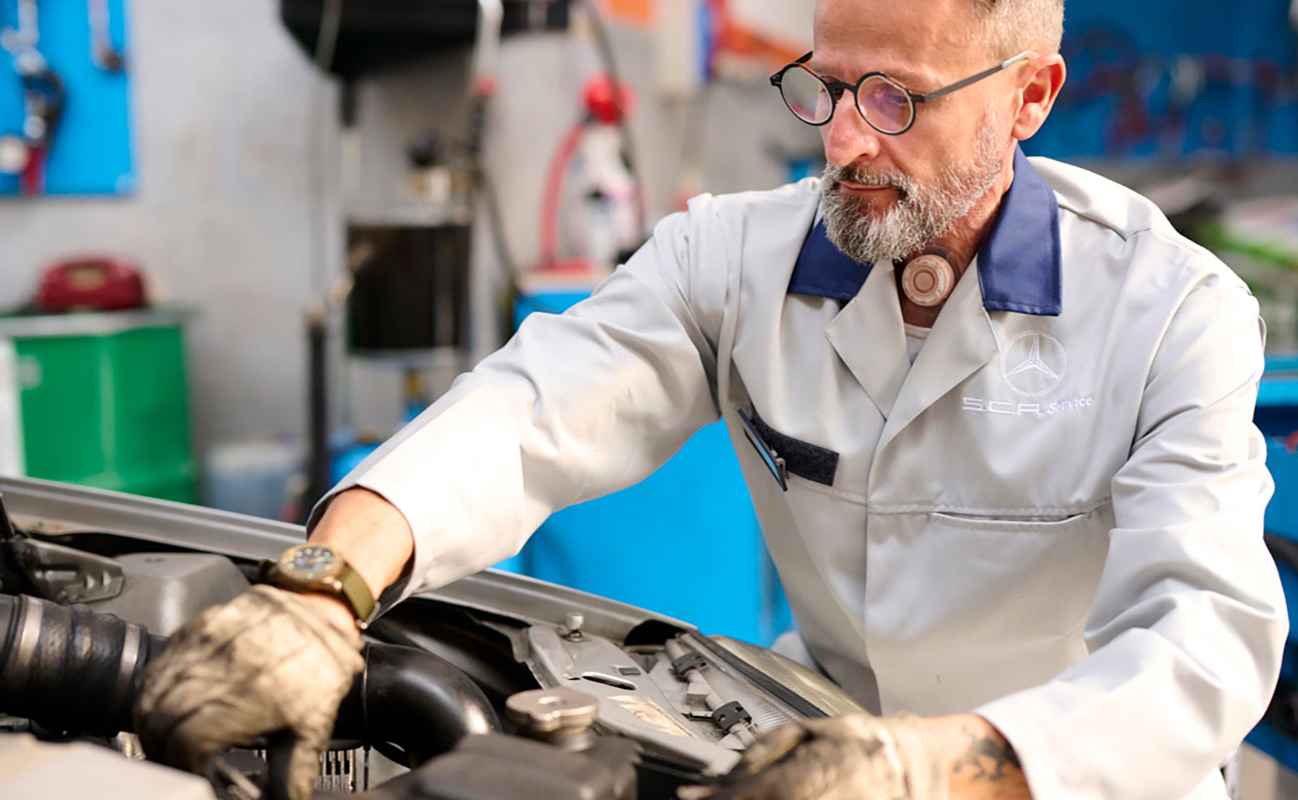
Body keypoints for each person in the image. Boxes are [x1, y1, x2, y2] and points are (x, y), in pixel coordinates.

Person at [134, 0, 1288, 797]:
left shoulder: (1170, 310)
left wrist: (939, 767)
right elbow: (529, 410)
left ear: (1028, 96)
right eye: (827, 87)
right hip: (822, 755)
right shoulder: (733, 259)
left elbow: (1202, 635)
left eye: (895, 101)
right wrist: (326, 585)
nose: (843, 141)